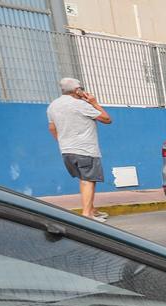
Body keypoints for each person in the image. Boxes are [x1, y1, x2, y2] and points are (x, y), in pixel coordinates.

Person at [47, 77, 112, 221]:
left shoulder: (53, 106)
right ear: (77, 90)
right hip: (85, 149)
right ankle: (87, 215)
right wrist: (94, 103)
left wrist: (64, 141)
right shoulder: (80, 105)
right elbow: (107, 119)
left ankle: (92, 209)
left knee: (84, 179)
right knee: (88, 180)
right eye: (81, 88)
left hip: (66, 150)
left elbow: (51, 127)